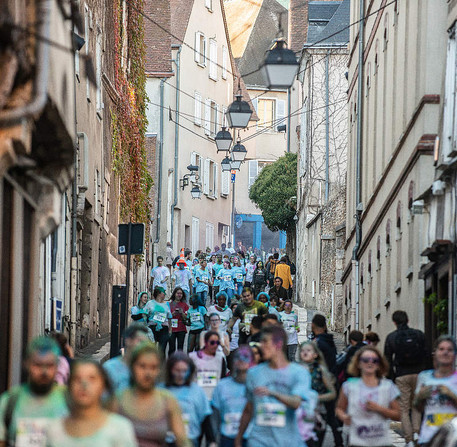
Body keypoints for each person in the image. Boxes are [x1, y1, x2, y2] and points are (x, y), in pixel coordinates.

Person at [234, 326, 312, 447]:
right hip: (258, 440)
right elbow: (249, 409)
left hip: (288, 441)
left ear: (278, 344)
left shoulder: (299, 373)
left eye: (265, 342)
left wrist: (273, 393)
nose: (261, 346)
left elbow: (296, 402)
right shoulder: (254, 373)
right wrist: (238, 438)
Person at [47, 360, 137, 446]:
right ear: (69, 386)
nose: (84, 384)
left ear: (103, 386)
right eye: (77, 379)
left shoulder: (119, 429)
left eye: (92, 379)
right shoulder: (55, 429)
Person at [117, 342, 189, 447]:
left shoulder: (168, 401)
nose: (148, 373)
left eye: (153, 367)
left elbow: (182, 440)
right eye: (142, 366)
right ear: (132, 367)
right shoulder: (118, 400)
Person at [0, 337, 68, 446]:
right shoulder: (9, 401)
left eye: (50, 365)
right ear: (26, 364)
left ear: (57, 366)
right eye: (38, 365)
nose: (44, 371)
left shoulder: (71, 400)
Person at [336, 346, 401, 447]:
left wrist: (379, 409)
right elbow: (339, 409)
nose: (370, 363)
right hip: (357, 440)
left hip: (380, 441)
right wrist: (344, 417)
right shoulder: (349, 386)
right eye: (365, 360)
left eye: (374, 360)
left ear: (379, 364)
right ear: (358, 363)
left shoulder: (388, 386)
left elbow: (398, 415)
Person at [384, 310, 426, 447]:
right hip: (419, 375)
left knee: (403, 408)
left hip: (401, 375)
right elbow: (426, 353)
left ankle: (408, 440)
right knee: (417, 406)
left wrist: (391, 378)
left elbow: (388, 360)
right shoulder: (419, 335)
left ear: (394, 322)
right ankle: (417, 433)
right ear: (407, 320)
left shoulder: (392, 337)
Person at [164, 352, 216, 447]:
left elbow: (205, 418)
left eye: (184, 371)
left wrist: (212, 441)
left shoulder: (197, 391)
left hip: (190, 440)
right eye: (177, 370)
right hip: (167, 441)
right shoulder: (161, 390)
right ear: (170, 370)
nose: (181, 375)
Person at [413, 335, 457, 446]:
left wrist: (451, 395)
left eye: (450, 350)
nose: (445, 353)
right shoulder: (424, 377)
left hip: (453, 438)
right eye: (441, 349)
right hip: (428, 437)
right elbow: (417, 408)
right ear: (435, 353)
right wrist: (420, 397)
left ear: (454, 355)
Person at [212, 347, 255, 447]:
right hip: (226, 437)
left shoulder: (257, 386)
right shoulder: (222, 386)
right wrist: (214, 439)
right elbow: (215, 415)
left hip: (251, 438)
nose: (241, 360)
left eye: (245, 357)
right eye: (237, 357)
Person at [310, 313, 342, 447]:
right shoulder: (328, 341)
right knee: (330, 415)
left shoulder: (318, 343)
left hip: (321, 383)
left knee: (322, 415)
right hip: (331, 379)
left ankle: (320, 442)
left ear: (313, 325)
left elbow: (314, 363)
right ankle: (338, 441)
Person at [299, 342, 337, 447]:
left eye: (308, 350)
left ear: (315, 354)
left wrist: (315, 397)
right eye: (303, 351)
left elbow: (332, 393)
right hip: (299, 412)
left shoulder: (320, 370)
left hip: (317, 412)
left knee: (315, 443)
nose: (305, 353)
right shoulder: (296, 370)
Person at [103, 324, 150, 394]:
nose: (144, 345)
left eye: (146, 342)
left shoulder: (148, 369)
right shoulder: (109, 368)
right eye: (140, 341)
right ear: (127, 341)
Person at [189, 331, 227, 400]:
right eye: (212, 343)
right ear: (205, 342)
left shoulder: (220, 358)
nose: (215, 345)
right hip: (197, 396)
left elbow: (222, 379)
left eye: (217, 343)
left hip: (213, 398)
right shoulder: (193, 357)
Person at [145, 287, 172, 354]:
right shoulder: (150, 303)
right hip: (152, 327)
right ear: (159, 294)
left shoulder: (167, 304)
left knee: (162, 350)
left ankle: (161, 363)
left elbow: (169, 317)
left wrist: (170, 329)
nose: (165, 294)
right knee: (151, 349)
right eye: (164, 293)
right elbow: (145, 314)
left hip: (164, 328)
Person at [169, 287, 189, 355]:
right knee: (172, 348)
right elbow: (166, 317)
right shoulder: (169, 304)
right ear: (174, 294)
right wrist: (172, 314)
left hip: (181, 328)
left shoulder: (185, 305)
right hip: (172, 328)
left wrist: (182, 313)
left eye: (181, 293)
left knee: (180, 348)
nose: (179, 295)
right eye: (178, 293)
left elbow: (187, 318)